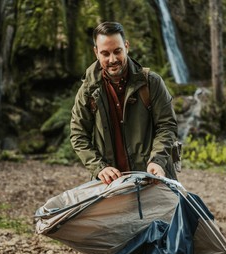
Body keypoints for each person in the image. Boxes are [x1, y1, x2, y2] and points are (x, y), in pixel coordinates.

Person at [70, 21, 178, 185]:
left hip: (153, 178)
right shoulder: (87, 91)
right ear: (96, 53)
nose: (112, 59)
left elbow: (167, 125)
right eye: (105, 53)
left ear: (126, 46)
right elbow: (79, 135)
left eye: (117, 51)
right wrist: (100, 168)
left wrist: (157, 160)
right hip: (111, 185)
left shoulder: (152, 83)